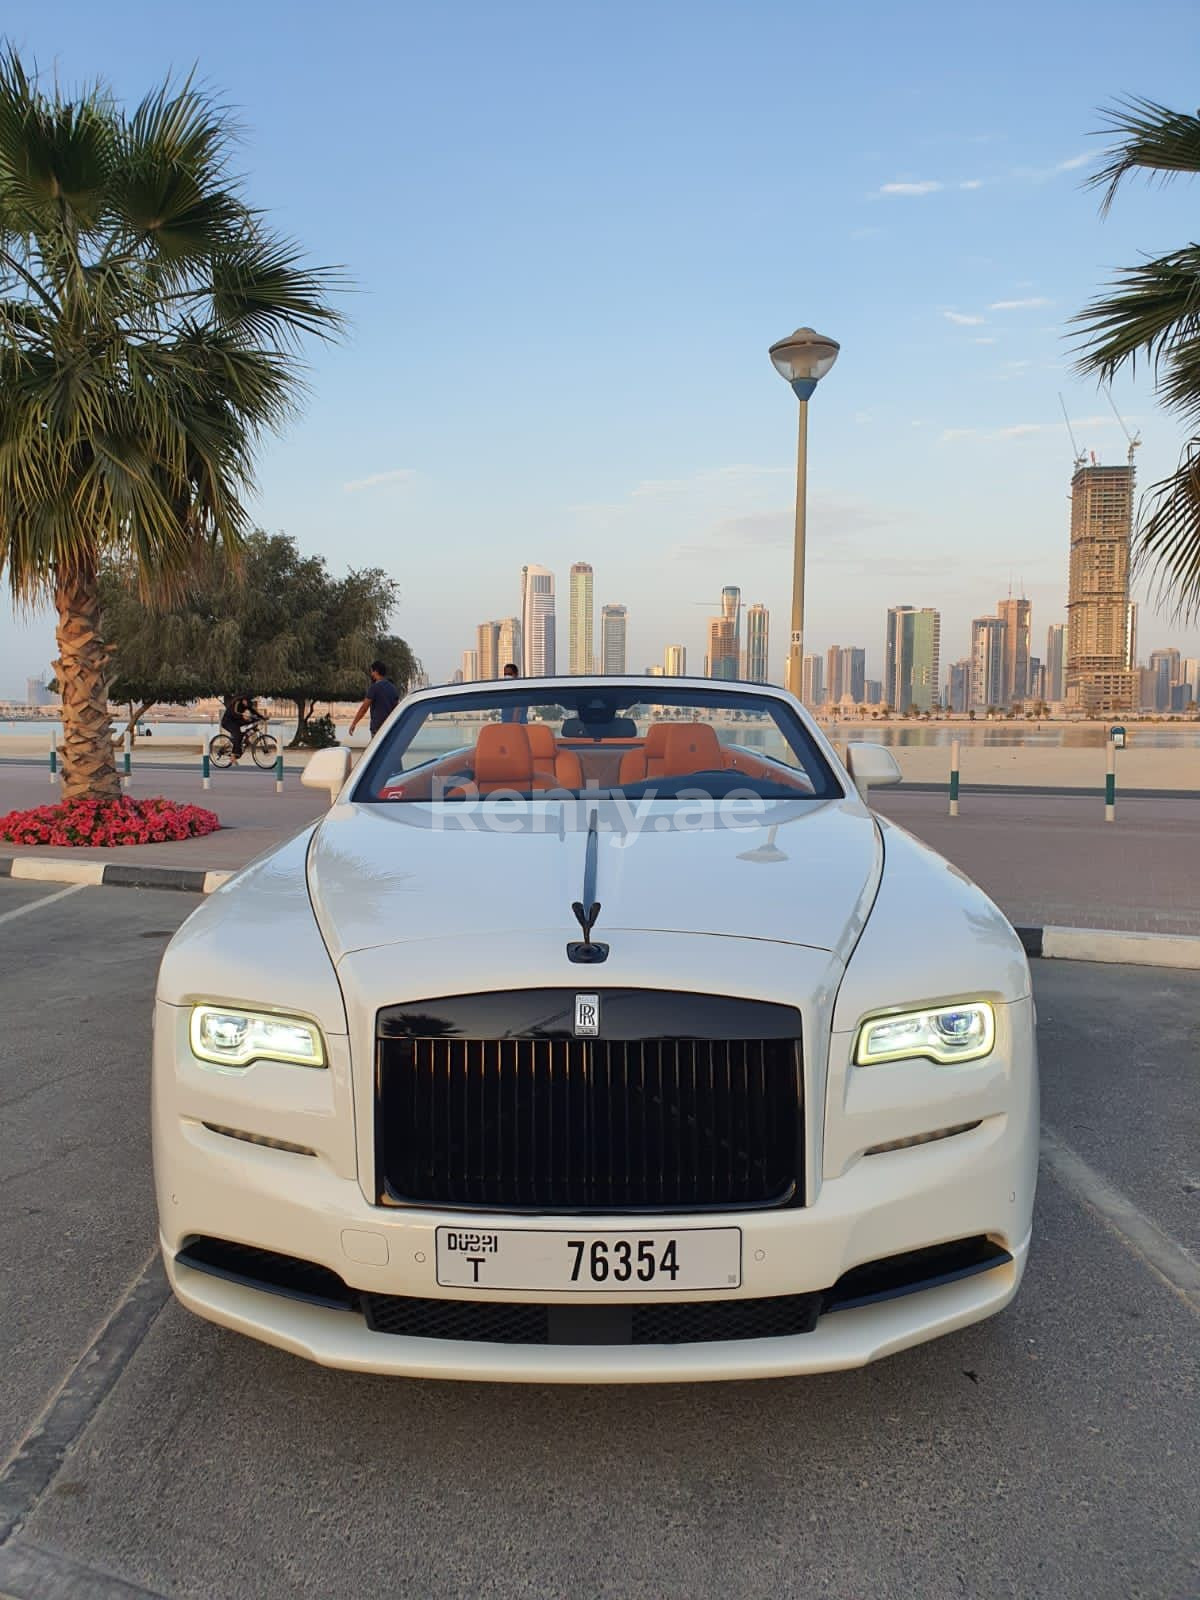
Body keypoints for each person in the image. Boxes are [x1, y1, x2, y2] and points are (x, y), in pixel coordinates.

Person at [349, 661, 400, 739]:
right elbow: (396, 708)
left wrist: (354, 723)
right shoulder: (393, 688)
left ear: (376, 672)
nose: (371, 674)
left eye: (371, 671)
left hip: (377, 728)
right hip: (390, 728)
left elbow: (364, 708)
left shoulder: (374, 688)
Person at [220, 695, 254, 763]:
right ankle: (233, 756)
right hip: (227, 722)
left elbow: (253, 712)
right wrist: (244, 717)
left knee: (246, 730)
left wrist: (261, 717)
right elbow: (235, 713)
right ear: (244, 700)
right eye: (247, 702)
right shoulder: (237, 703)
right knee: (237, 734)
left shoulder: (244, 706)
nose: (247, 704)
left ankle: (241, 744)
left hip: (235, 722)